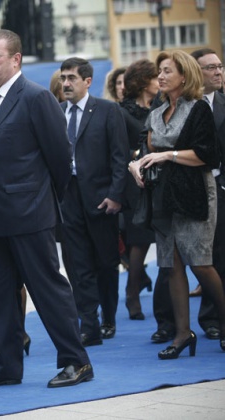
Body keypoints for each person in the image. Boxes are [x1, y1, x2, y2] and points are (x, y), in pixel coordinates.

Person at [0, 29, 92, 389]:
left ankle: (76, 361)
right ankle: (5, 365)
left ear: (16, 59)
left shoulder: (35, 97)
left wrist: (37, 198)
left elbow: (60, 160)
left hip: (29, 216)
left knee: (47, 291)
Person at [128, 50, 225, 359]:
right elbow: (144, 148)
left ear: (184, 76)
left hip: (194, 192)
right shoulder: (155, 112)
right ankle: (183, 334)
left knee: (201, 263)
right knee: (170, 266)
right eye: (160, 71)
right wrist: (137, 165)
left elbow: (207, 156)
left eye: (168, 71)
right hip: (162, 196)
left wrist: (166, 155)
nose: (162, 76)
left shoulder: (198, 109)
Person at [58, 57, 129, 345]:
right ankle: (88, 324)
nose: (66, 83)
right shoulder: (56, 111)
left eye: (72, 78)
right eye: (63, 77)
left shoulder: (108, 111)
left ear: (87, 81)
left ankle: (108, 317)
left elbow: (120, 157)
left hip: (101, 198)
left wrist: (115, 195)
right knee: (79, 263)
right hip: (68, 197)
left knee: (106, 262)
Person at [118, 59, 159, 320]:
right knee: (138, 240)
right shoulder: (122, 112)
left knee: (147, 241)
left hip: (157, 181)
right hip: (132, 183)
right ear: (144, 82)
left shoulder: (160, 107)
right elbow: (119, 150)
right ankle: (132, 292)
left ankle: (137, 287)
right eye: (156, 77)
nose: (159, 82)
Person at [190, 48, 225, 341]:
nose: (218, 72)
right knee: (208, 256)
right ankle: (211, 317)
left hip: (222, 187)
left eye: (220, 66)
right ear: (196, 73)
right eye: (210, 67)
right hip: (197, 190)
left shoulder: (223, 102)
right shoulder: (187, 105)